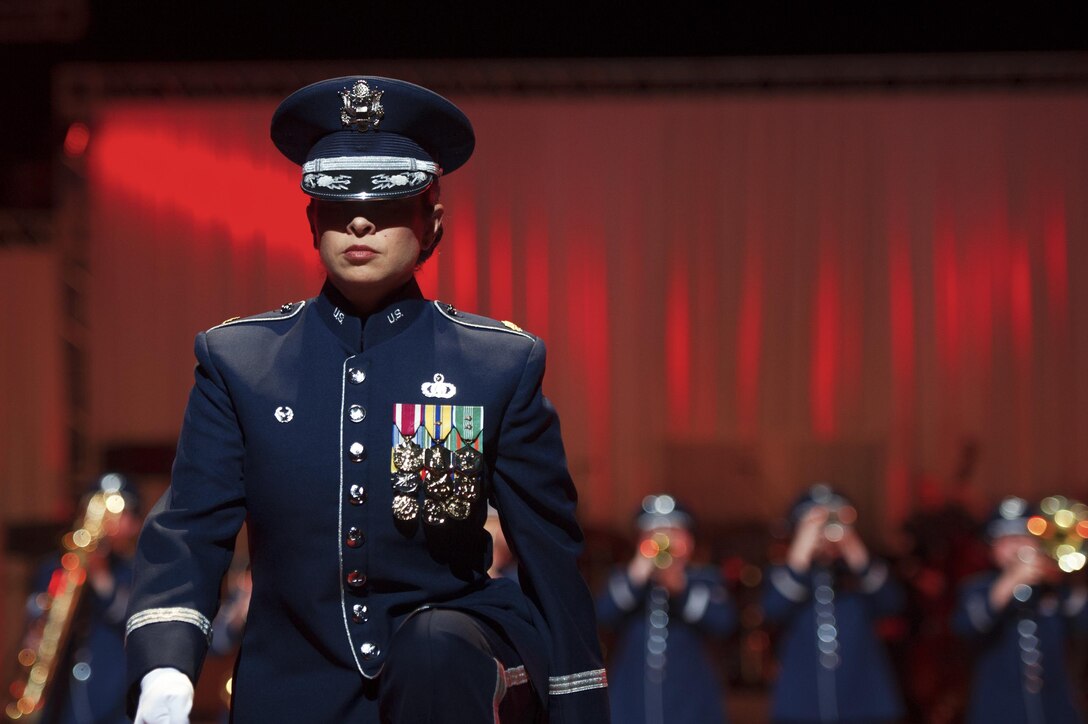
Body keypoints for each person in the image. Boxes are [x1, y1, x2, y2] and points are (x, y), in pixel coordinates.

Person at [123, 75, 609, 723]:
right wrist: (165, 672)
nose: (359, 218)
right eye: (337, 202)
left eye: (386, 202)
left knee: (435, 645)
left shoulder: (497, 365)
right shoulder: (240, 363)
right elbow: (190, 530)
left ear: (431, 222)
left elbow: (551, 558)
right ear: (311, 221)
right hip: (290, 679)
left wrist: (579, 704)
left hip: (449, 673)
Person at [762, 483, 905, 723]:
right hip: (801, 704)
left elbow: (892, 603)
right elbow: (773, 609)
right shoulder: (786, 573)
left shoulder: (860, 572)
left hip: (864, 701)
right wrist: (799, 557)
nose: (826, 532)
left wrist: (855, 551)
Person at [13, 473, 142, 724]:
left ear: (135, 524)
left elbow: (131, 620)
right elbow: (35, 618)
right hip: (61, 701)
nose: (109, 523)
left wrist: (101, 576)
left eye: (120, 513)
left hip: (114, 702)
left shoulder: (137, 570)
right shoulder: (56, 567)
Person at [596, 494, 736, 724]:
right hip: (632, 704)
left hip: (692, 704)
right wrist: (637, 575)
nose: (663, 542)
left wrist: (680, 587)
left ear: (689, 540)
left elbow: (723, 623)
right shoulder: (625, 579)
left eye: (674, 533)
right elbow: (604, 615)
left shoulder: (705, 579)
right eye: (652, 534)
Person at [952, 496, 1088, 724]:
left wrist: (1062, 580)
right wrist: (1012, 579)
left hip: (1055, 709)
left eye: (1023, 537)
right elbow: (969, 626)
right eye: (1005, 540)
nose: (1016, 546)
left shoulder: (1054, 589)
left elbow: (1082, 619)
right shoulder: (977, 588)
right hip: (998, 709)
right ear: (992, 549)